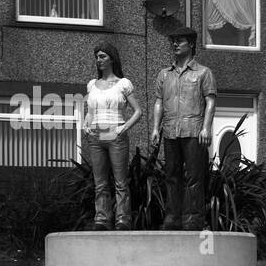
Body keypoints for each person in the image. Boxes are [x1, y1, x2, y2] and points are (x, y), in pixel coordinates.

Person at [150, 28, 216, 231]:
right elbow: (159, 102)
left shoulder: (203, 73)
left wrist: (206, 128)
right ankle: (172, 216)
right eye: (173, 41)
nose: (175, 44)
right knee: (172, 175)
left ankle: (193, 218)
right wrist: (155, 128)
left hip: (194, 129)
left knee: (194, 176)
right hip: (170, 130)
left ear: (192, 45)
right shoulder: (164, 74)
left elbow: (210, 101)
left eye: (180, 41)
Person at [81, 42, 142, 231]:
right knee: (100, 182)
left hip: (115, 134)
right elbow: (91, 111)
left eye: (102, 56)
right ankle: (102, 219)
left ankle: (123, 219)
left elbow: (138, 111)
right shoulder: (92, 85)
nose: (98, 60)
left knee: (120, 181)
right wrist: (85, 123)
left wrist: (123, 128)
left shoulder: (123, 84)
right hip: (96, 136)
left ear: (112, 58)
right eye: (97, 57)